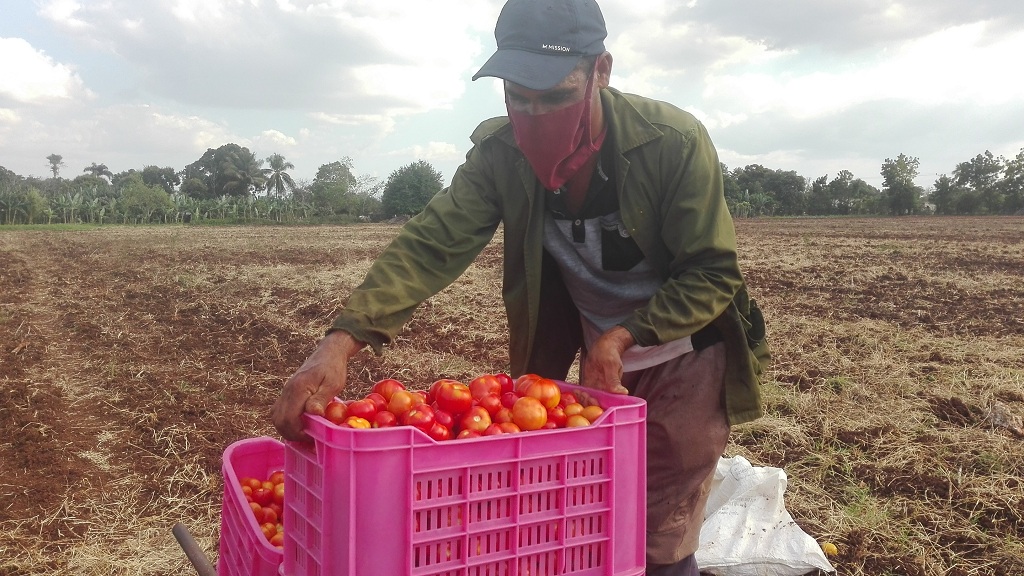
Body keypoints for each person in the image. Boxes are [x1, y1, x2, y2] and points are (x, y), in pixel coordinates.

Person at [272, 0, 769, 573]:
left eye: (556, 97)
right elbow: (430, 244)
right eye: (518, 98)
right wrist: (340, 343)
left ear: (600, 71)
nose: (534, 116)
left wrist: (627, 336)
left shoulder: (671, 142)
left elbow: (712, 270)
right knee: (580, 512)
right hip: (595, 352)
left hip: (684, 351)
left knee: (660, 525)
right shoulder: (502, 155)